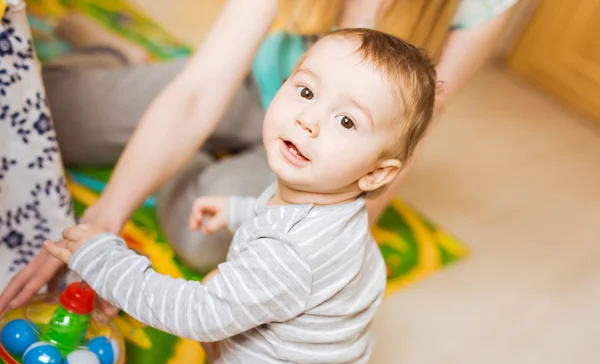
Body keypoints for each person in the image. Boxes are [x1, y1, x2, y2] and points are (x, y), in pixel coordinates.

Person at [0, 0, 519, 313]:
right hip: (257, 87)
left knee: (200, 236)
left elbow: (402, 148)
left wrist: (340, 260)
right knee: (46, 115)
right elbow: (200, 90)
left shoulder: (483, 7)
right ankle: (121, 57)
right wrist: (103, 218)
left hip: (328, 155)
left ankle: (183, 143)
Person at [42, 27, 437, 364]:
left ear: (375, 173)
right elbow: (280, 221)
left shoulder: (292, 253)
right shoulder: (329, 204)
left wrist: (104, 261)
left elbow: (196, 315)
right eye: (305, 91)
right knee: (221, 278)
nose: (309, 120)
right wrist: (238, 211)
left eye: (346, 121)